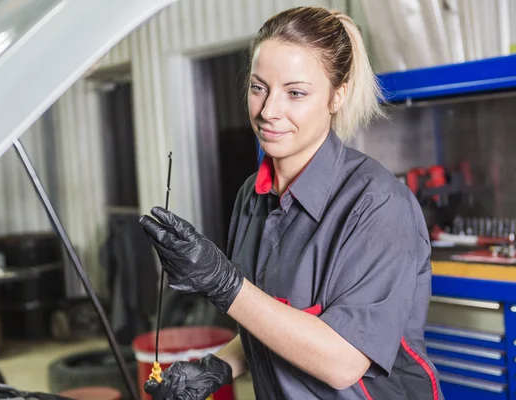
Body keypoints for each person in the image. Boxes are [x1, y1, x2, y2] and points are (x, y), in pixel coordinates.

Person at [139, 6, 444, 400]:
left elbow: (343, 362)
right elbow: (270, 320)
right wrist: (218, 366)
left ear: (338, 95)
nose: (268, 111)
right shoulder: (252, 196)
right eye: (258, 87)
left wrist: (223, 283)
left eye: (295, 93)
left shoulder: (378, 206)